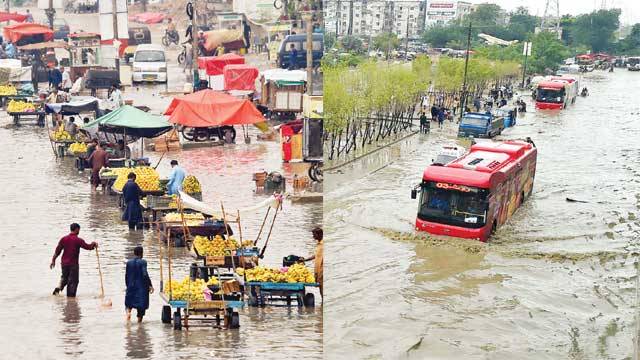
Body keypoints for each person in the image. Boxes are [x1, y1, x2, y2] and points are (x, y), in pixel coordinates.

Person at [50, 223, 98, 297]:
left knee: (65, 278)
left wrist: (53, 260)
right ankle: (70, 298)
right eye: (79, 229)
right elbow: (88, 247)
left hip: (64, 264)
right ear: (76, 229)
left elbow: (57, 251)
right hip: (73, 264)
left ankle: (59, 288)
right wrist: (93, 244)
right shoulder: (78, 240)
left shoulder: (64, 239)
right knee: (73, 281)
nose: (79, 231)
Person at [125, 246, 153, 322]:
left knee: (129, 304)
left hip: (131, 286)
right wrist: (150, 285)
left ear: (134, 253)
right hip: (141, 288)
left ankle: (128, 313)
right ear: (142, 253)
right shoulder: (143, 262)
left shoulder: (129, 263)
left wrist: (128, 286)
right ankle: (139, 323)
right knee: (141, 307)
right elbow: (145, 274)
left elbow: (126, 276)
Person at [303, 227, 323, 299]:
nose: (313, 236)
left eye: (314, 235)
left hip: (322, 270)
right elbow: (316, 255)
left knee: (323, 289)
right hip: (318, 270)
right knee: (321, 288)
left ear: (319, 234)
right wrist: (305, 260)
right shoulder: (318, 244)